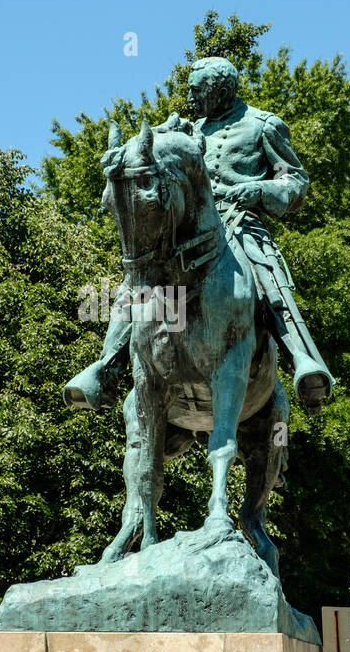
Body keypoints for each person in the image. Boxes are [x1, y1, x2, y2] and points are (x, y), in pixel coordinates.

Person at [63, 55, 333, 414]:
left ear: (221, 89)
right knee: (139, 277)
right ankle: (108, 367)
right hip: (187, 227)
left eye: (197, 90)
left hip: (237, 220)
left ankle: (303, 361)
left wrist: (261, 190)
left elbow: (295, 182)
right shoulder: (186, 130)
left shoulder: (263, 126)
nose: (190, 98)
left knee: (267, 268)